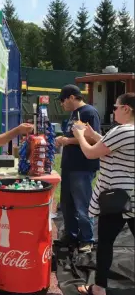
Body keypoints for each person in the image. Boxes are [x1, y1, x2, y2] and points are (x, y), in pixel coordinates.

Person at [72, 92, 135, 295]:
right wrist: (93, 135)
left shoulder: (121, 130)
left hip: (115, 197)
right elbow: (113, 148)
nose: (113, 110)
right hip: (130, 196)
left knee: (105, 242)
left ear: (126, 108)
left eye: (116, 107)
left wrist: (80, 135)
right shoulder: (128, 132)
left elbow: (91, 153)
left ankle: (99, 288)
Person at [55, 84, 101, 253]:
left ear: (72, 97)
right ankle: (71, 235)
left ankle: (87, 239)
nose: (62, 104)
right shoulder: (74, 114)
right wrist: (64, 139)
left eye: (63, 100)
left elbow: (95, 140)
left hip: (82, 166)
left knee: (83, 204)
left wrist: (68, 141)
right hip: (69, 166)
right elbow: (74, 136)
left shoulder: (89, 112)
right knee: (67, 204)